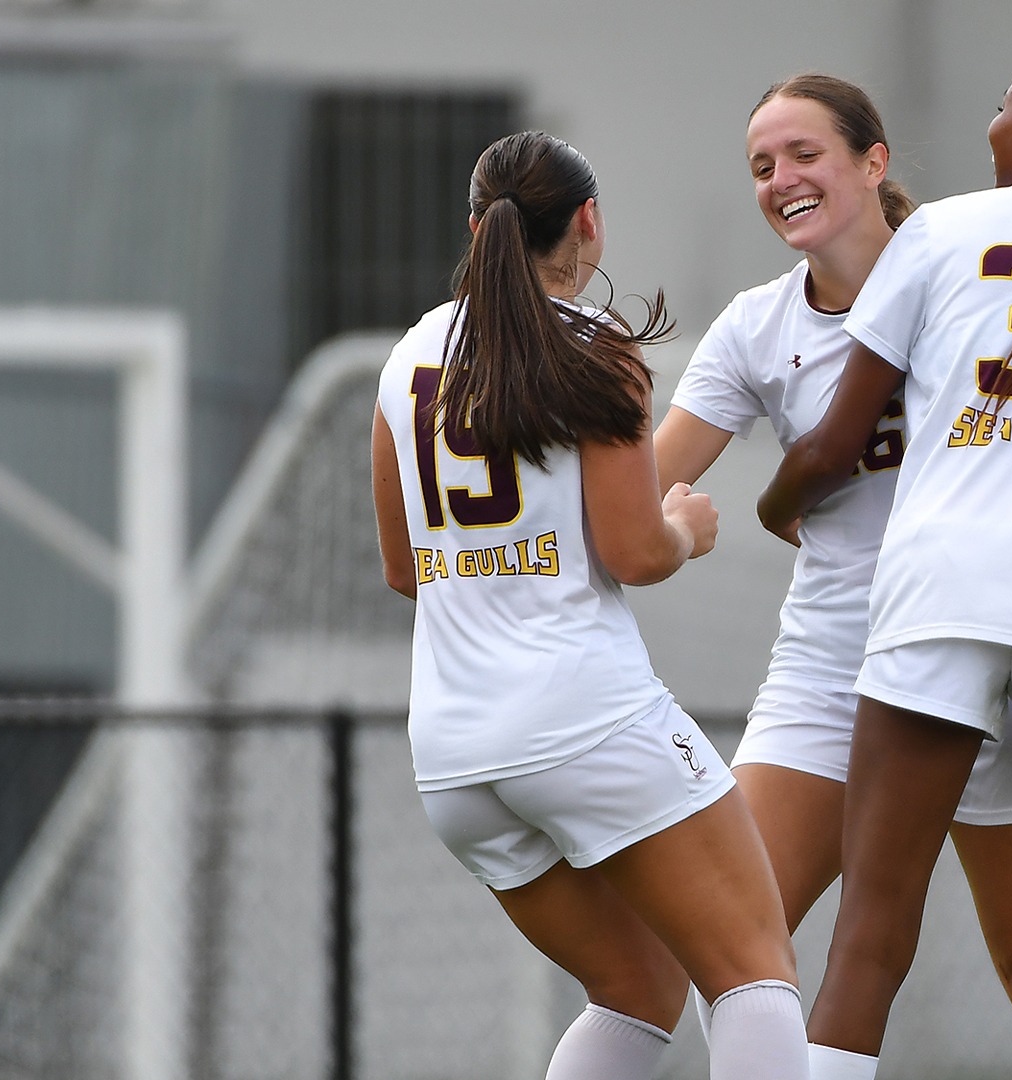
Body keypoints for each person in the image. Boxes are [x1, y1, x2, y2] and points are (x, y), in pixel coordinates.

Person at [656, 75, 1012, 1080]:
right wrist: (577, 528)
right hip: (832, 664)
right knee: (723, 945)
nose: (781, 180)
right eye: (762, 166)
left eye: (804, 154)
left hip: (981, 642)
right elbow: (647, 489)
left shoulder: (964, 258)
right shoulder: (754, 328)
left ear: (875, 160)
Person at [370, 130, 809, 1080]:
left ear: (477, 228)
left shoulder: (410, 353)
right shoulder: (596, 346)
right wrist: (685, 525)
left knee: (639, 988)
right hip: (583, 718)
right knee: (752, 970)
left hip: (453, 755)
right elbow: (634, 553)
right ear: (588, 223)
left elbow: (407, 569)